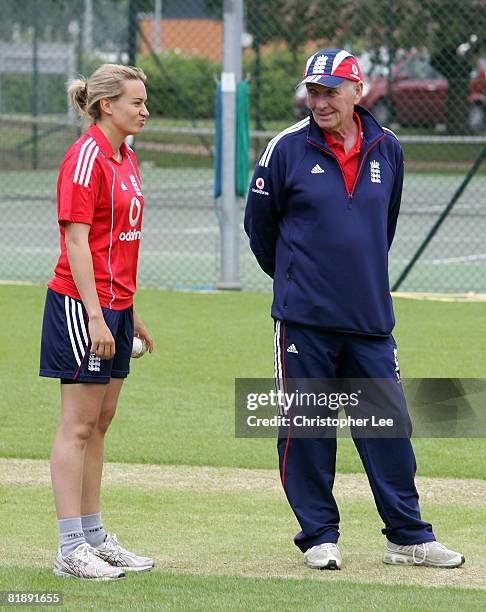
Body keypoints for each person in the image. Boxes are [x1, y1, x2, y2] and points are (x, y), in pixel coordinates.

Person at [244, 48, 465, 570]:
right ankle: (319, 536)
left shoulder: (389, 150)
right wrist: (300, 282)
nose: (320, 102)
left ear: (356, 90)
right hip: (303, 322)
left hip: (369, 320)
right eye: (313, 93)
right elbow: (260, 231)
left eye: (330, 92)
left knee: (388, 430)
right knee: (308, 430)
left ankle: (408, 538)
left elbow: (381, 229)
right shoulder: (285, 150)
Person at [40, 64, 155, 580]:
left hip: (116, 307)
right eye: (136, 102)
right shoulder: (85, 158)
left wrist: (130, 313)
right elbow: (77, 241)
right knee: (78, 424)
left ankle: (93, 536)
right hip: (82, 306)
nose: (145, 110)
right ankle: (69, 548)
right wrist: (96, 316)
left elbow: (118, 245)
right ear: (107, 105)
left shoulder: (126, 157)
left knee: (101, 424)